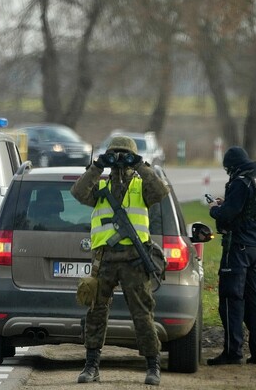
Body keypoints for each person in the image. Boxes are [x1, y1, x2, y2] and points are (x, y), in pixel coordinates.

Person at [70, 136, 169, 386]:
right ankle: (91, 365)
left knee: (142, 314)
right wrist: (97, 166)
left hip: (134, 260)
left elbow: (160, 192)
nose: (120, 162)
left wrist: (140, 165)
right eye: (115, 156)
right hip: (105, 259)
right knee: (96, 312)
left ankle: (152, 365)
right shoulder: (100, 186)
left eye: (125, 156)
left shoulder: (141, 186)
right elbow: (78, 193)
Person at [206, 146, 256, 366]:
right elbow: (247, 210)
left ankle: (233, 352)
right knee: (253, 300)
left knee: (230, 298)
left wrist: (214, 209)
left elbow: (227, 215)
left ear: (232, 166)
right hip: (254, 247)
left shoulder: (240, 182)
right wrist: (228, 206)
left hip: (237, 248)